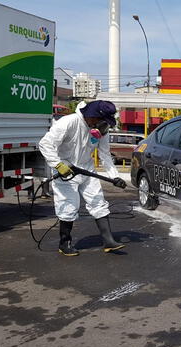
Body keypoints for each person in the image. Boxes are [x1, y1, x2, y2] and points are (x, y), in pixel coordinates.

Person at [38, 100, 127, 256]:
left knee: (98, 201)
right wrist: (58, 165)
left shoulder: (101, 130)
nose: (104, 125)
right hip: (66, 170)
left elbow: (105, 154)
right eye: (103, 121)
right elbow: (45, 144)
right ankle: (64, 243)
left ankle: (108, 241)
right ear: (93, 116)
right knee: (68, 205)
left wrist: (115, 176)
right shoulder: (69, 122)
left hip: (86, 169)